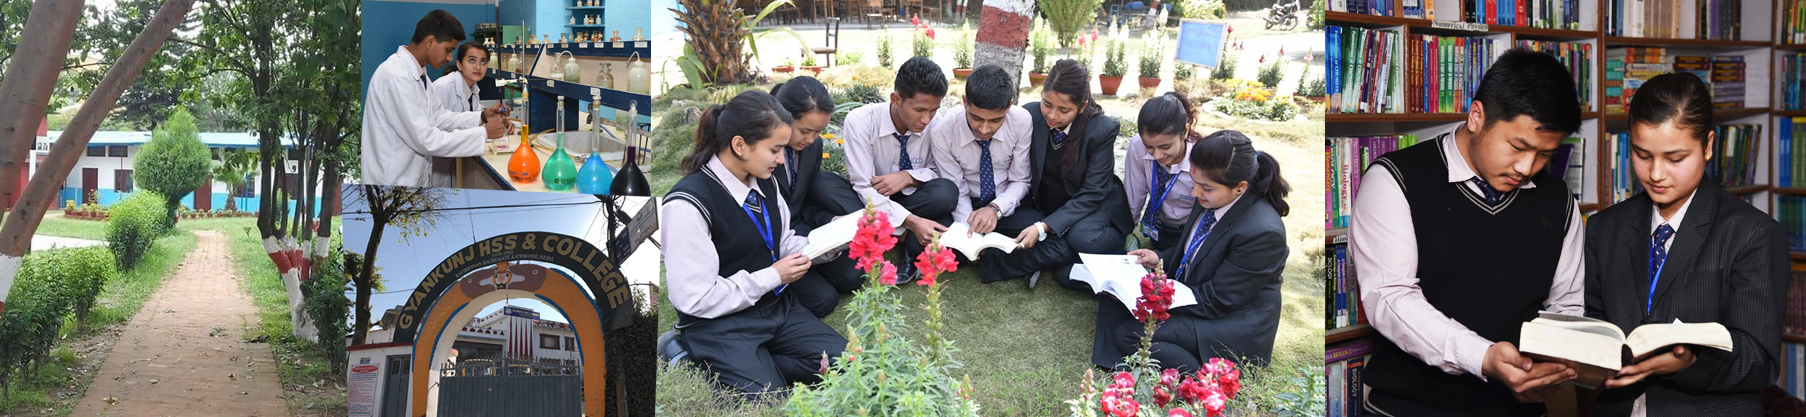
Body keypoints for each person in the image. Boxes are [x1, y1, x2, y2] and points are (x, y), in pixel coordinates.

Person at [1351, 49, 1586, 417]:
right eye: (1518, 146)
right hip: (1409, 410)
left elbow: (1566, 305)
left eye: (1545, 155)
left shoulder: (1559, 200)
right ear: (1477, 116)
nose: (1527, 167)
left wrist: (1549, 373)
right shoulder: (1394, 181)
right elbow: (1390, 298)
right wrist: (1483, 357)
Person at [1582, 73, 1786, 416]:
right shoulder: (1605, 227)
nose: (1656, 173)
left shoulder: (1753, 232)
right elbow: (1595, 322)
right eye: (1642, 155)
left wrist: (1690, 363)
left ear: (1708, 145)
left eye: (1675, 158)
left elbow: (1760, 361)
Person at [659, 90, 845, 401]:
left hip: (776, 309)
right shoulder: (686, 206)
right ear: (740, 145)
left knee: (849, 364)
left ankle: (756, 368)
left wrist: (829, 242)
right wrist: (773, 276)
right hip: (719, 324)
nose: (782, 159)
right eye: (775, 150)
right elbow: (694, 299)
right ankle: (687, 355)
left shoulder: (765, 179)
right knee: (771, 401)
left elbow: (783, 240)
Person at [1093, 130, 1290, 371]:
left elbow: (1218, 300)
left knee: (1132, 333)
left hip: (1229, 320)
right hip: (1197, 291)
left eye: (1205, 188)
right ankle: (1126, 356)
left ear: (1240, 187)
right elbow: (1200, 246)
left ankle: (1200, 377)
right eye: (1195, 183)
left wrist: (1156, 298)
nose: (1196, 193)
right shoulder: (1213, 197)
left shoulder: (1262, 233)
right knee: (1112, 296)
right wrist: (1159, 258)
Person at [981, 59, 1132, 288]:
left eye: (1064, 110)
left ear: (1082, 107)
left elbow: (1093, 193)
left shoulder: (1101, 130)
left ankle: (1115, 246)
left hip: (1090, 209)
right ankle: (1054, 259)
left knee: (1080, 238)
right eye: (1047, 103)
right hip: (1044, 206)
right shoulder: (1030, 115)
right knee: (999, 220)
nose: (1052, 115)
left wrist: (1043, 227)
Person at [841, 56, 960, 279]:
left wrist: (909, 177)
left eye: (933, 110)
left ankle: (889, 236)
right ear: (896, 99)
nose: (926, 119)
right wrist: (911, 222)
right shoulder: (860, 121)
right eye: (920, 110)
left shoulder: (935, 124)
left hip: (916, 200)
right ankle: (906, 236)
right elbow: (863, 186)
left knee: (946, 192)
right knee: (825, 185)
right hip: (871, 200)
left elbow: (939, 170)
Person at [363, 10, 508, 187]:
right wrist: (484, 133)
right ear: (430, 42)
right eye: (448, 50)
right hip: (391, 183)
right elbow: (427, 139)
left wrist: (481, 117)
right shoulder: (396, 76)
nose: (449, 58)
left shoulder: (419, 75)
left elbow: (438, 117)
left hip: (411, 181)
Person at [768, 77, 864, 317]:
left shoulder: (812, 147)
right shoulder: (762, 152)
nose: (810, 139)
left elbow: (803, 201)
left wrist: (832, 222)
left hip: (800, 230)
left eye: (818, 132)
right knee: (823, 300)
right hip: (769, 242)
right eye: (805, 131)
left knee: (853, 276)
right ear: (782, 118)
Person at [925, 65, 1035, 271]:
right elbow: (955, 187)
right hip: (965, 205)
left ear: (1009, 106)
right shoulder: (943, 131)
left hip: (1004, 206)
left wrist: (995, 210)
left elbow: (1020, 180)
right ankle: (989, 253)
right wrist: (971, 231)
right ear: (965, 102)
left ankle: (991, 254)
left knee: (1037, 225)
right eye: (976, 118)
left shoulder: (1021, 121)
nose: (984, 129)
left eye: (995, 120)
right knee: (934, 244)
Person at [1123, 92, 1202, 251]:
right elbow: (1133, 195)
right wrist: (1124, 233)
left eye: (1166, 147)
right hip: (1158, 231)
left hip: (1193, 234)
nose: (1157, 155)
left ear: (1185, 132)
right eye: (1149, 147)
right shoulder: (1137, 146)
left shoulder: (1203, 156)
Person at [425, 41, 493, 187]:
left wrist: (491, 121)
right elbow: (438, 125)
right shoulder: (443, 87)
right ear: (459, 64)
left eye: (483, 62)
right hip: (438, 163)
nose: (478, 67)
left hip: (456, 158)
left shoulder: (474, 87)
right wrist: (482, 122)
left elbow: (471, 121)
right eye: (472, 60)